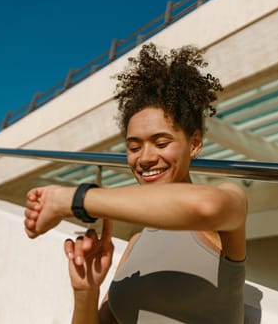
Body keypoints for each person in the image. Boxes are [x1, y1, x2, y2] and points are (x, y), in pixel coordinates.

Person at [23, 43, 248, 323]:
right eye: (134, 147)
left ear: (194, 144)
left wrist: (70, 200)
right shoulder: (137, 241)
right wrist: (86, 291)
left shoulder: (225, 202)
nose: (145, 158)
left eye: (161, 142)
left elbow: (206, 207)